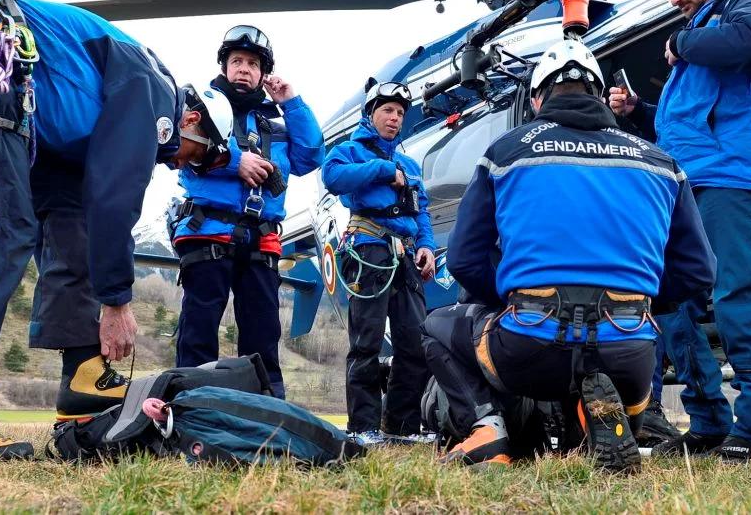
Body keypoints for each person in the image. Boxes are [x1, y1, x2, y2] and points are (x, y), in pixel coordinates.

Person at [0, 0, 231, 459]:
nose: (180, 167)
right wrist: (116, 302)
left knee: (55, 228)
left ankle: (83, 378)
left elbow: (76, 218)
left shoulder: (78, 122)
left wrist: (88, 341)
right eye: (195, 155)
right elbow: (115, 197)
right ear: (191, 119)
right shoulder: (154, 89)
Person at [421, 38, 715, 471]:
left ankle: (486, 432)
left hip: (529, 346)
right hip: (630, 351)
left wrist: (506, 299)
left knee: (436, 326)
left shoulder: (505, 152)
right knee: (622, 349)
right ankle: (600, 417)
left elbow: (464, 259)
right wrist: (645, 298)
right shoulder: (661, 162)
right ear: (600, 96)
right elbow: (700, 271)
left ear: (537, 98)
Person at [610, 0, 751, 462]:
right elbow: (680, 127)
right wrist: (638, 111)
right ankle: (709, 417)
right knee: (675, 299)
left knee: (742, 290)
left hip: (737, 177)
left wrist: (684, 46)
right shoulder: (701, 35)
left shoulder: (750, 4)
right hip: (690, 184)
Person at [168, 25, 324, 399]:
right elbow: (175, 148)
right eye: (236, 61)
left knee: (263, 334)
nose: (243, 69)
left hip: (263, 240)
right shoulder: (197, 112)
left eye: (252, 64)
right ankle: (191, 407)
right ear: (224, 67)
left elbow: (310, 157)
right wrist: (235, 162)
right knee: (199, 329)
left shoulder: (276, 126)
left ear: (262, 73)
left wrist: (292, 102)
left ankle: (266, 410)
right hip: (208, 232)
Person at [321, 79, 437, 446]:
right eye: (387, 110)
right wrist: (382, 170)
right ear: (371, 114)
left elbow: (422, 214)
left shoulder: (410, 164)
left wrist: (427, 247)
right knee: (367, 341)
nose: (395, 118)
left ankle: (402, 427)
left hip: (405, 256)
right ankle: (362, 427)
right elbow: (332, 177)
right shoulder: (351, 151)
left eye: (401, 113)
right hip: (368, 250)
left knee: (414, 342)